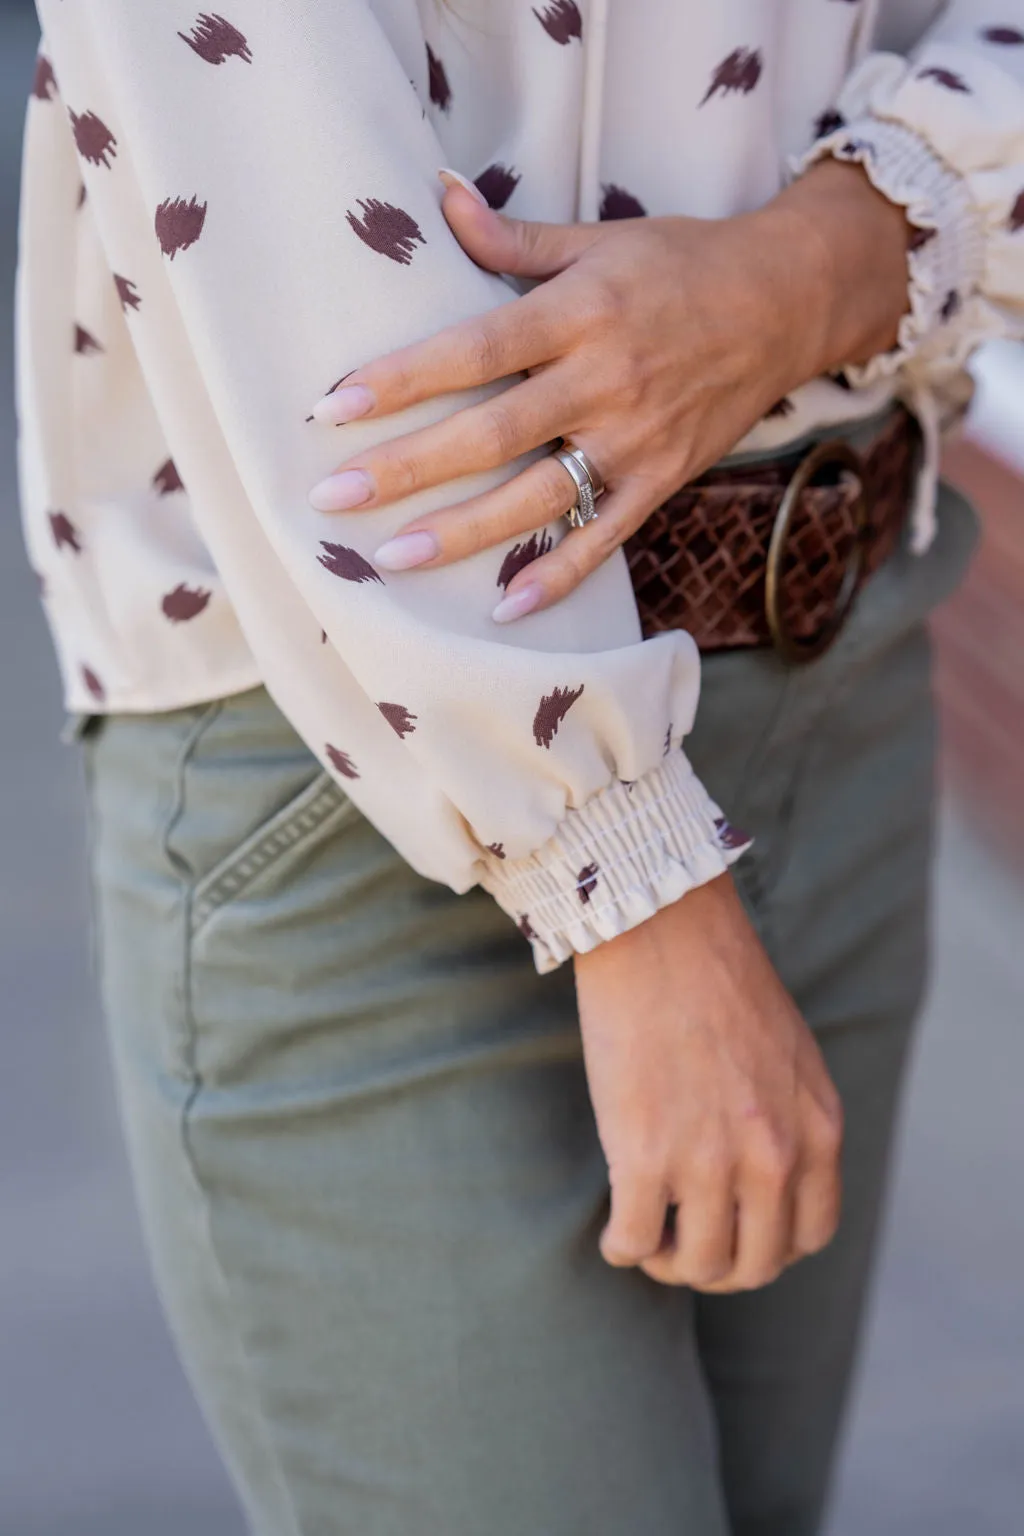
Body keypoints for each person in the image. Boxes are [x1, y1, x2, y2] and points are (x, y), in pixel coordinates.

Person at [16, 2, 1023, 1532]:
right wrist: (630, 875)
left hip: (847, 655)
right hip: (371, 765)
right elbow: (261, 161)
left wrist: (823, 259)